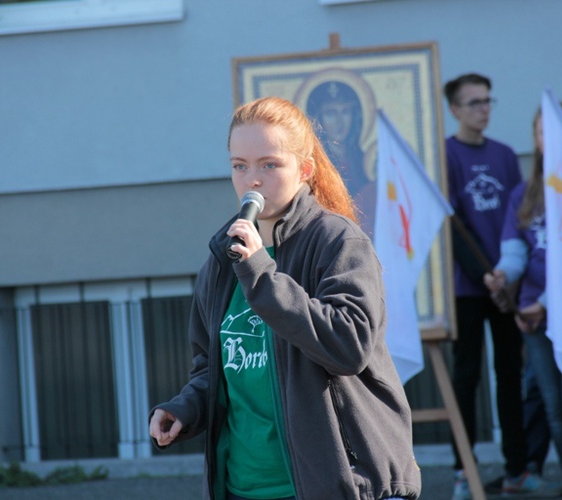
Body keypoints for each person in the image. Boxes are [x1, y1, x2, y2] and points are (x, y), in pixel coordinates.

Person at [148, 96, 421, 500]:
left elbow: (347, 348)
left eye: (269, 164)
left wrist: (261, 272)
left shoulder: (337, 241)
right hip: (244, 486)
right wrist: (184, 408)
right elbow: (214, 366)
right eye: (239, 165)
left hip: (337, 484)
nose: (251, 180)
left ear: (304, 170)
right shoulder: (222, 260)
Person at [485, 107, 562, 500]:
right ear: (536, 139)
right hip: (535, 318)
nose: (547, 139)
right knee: (555, 412)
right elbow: (515, 253)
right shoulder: (524, 194)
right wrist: (503, 275)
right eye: (541, 132)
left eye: (554, 132)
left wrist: (543, 301)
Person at [443, 73, 537, 499]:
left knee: (509, 374)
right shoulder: (446, 154)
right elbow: (451, 223)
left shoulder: (503, 155)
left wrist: (506, 274)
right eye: (474, 102)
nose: (483, 108)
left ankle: (517, 468)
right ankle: (465, 468)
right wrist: (482, 271)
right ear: (455, 110)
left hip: (505, 282)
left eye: (487, 101)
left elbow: (517, 217)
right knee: (466, 376)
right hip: (466, 285)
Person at [306, 80, 376, 235]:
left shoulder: (367, 161)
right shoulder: (312, 166)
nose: (340, 121)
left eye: (345, 111)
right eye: (331, 113)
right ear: (319, 118)